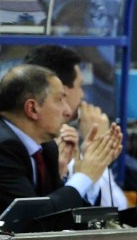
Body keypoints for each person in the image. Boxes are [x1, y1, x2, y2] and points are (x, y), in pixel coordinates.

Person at [0, 64, 121, 214]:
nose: (68, 111)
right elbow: (32, 217)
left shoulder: (47, 148)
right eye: (59, 100)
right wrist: (84, 176)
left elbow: (61, 214)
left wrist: (92, 168)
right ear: (32, 108)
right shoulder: (3, 148)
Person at [24, 44, 128, 210]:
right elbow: (115, 207)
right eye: (80, 85)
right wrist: (96, 152)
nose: (82, 94)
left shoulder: (67, 139)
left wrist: (94, 155)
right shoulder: (44, 145)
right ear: (62, 91)